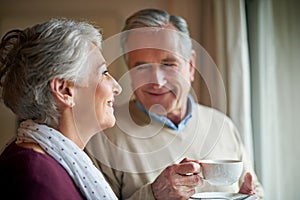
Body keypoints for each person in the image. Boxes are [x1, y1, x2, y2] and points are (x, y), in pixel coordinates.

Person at [87, 8, 264, 199]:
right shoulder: (102, 137)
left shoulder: (222, 125)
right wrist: (152, 195)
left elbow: (257, 192)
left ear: (190, 66)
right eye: (142, 66)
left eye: (168, 64)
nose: (157, 81)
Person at [0, 18, 122, 199]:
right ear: (64, 90)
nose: (117, 87)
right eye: (104, 73)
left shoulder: (48, 162)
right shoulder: (34, 175)